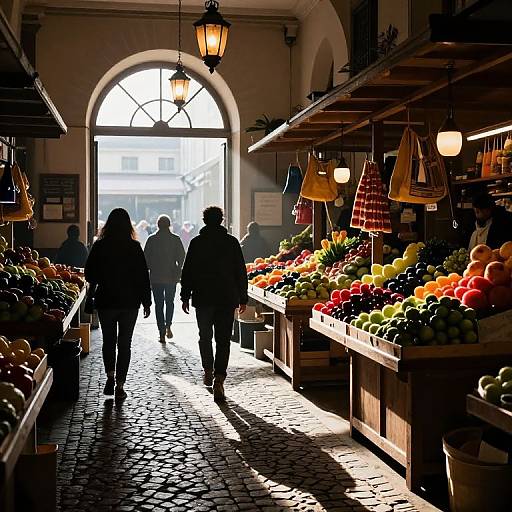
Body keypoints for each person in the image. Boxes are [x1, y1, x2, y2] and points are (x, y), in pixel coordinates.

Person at [181, 206, 248, 402]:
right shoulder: (231, 242)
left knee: (204, 336)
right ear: (221, 220)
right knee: (223, 339)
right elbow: (240, 271)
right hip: (227, 297)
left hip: (203, 297)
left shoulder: (196, 242)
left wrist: (185, 295)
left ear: (204, 221)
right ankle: (220, 377)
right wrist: (242, 297)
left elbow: (188, 271)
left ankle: (208, 369)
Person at [85, 208, 151, 400]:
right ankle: (120, 385)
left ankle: (110, 377)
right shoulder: (135, 247)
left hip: (107, 300)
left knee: (108, 341)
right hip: (130, 303)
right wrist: (147, 302)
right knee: (125, 344)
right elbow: (142, 277)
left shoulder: (100, 246)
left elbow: (89, 274)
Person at [144, 215, 185, 342]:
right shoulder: (175, 239)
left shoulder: (152, 239)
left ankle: (161, 331)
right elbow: (182, 256)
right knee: (170, 302)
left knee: (159, 305)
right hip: (171, 276)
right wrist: (177, 270)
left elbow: (146, 259)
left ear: (157, 225)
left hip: (156, 277)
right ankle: (168, 326)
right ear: (169, 225)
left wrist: (151, 268)